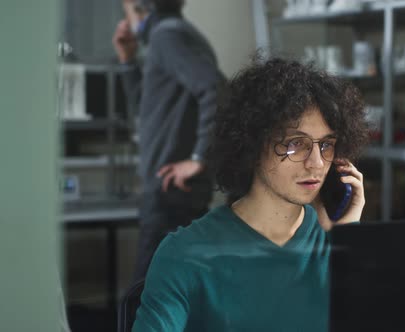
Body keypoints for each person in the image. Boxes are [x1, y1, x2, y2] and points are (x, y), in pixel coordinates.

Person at [131, 56, 370, 331]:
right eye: (296, 144)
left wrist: (349, 241)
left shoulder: (334, 246)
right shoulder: (186, 255)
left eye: (326, 145)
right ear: (254, 145)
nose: (316, 162)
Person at [112, 0, 225, 281]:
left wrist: (199, 158)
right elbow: (148, 107)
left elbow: (216, 90)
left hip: (171, 191)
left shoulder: (167, 36)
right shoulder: (173, 35)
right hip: (171, 190)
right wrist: (128, 61)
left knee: (147, 293)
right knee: (173, 292)